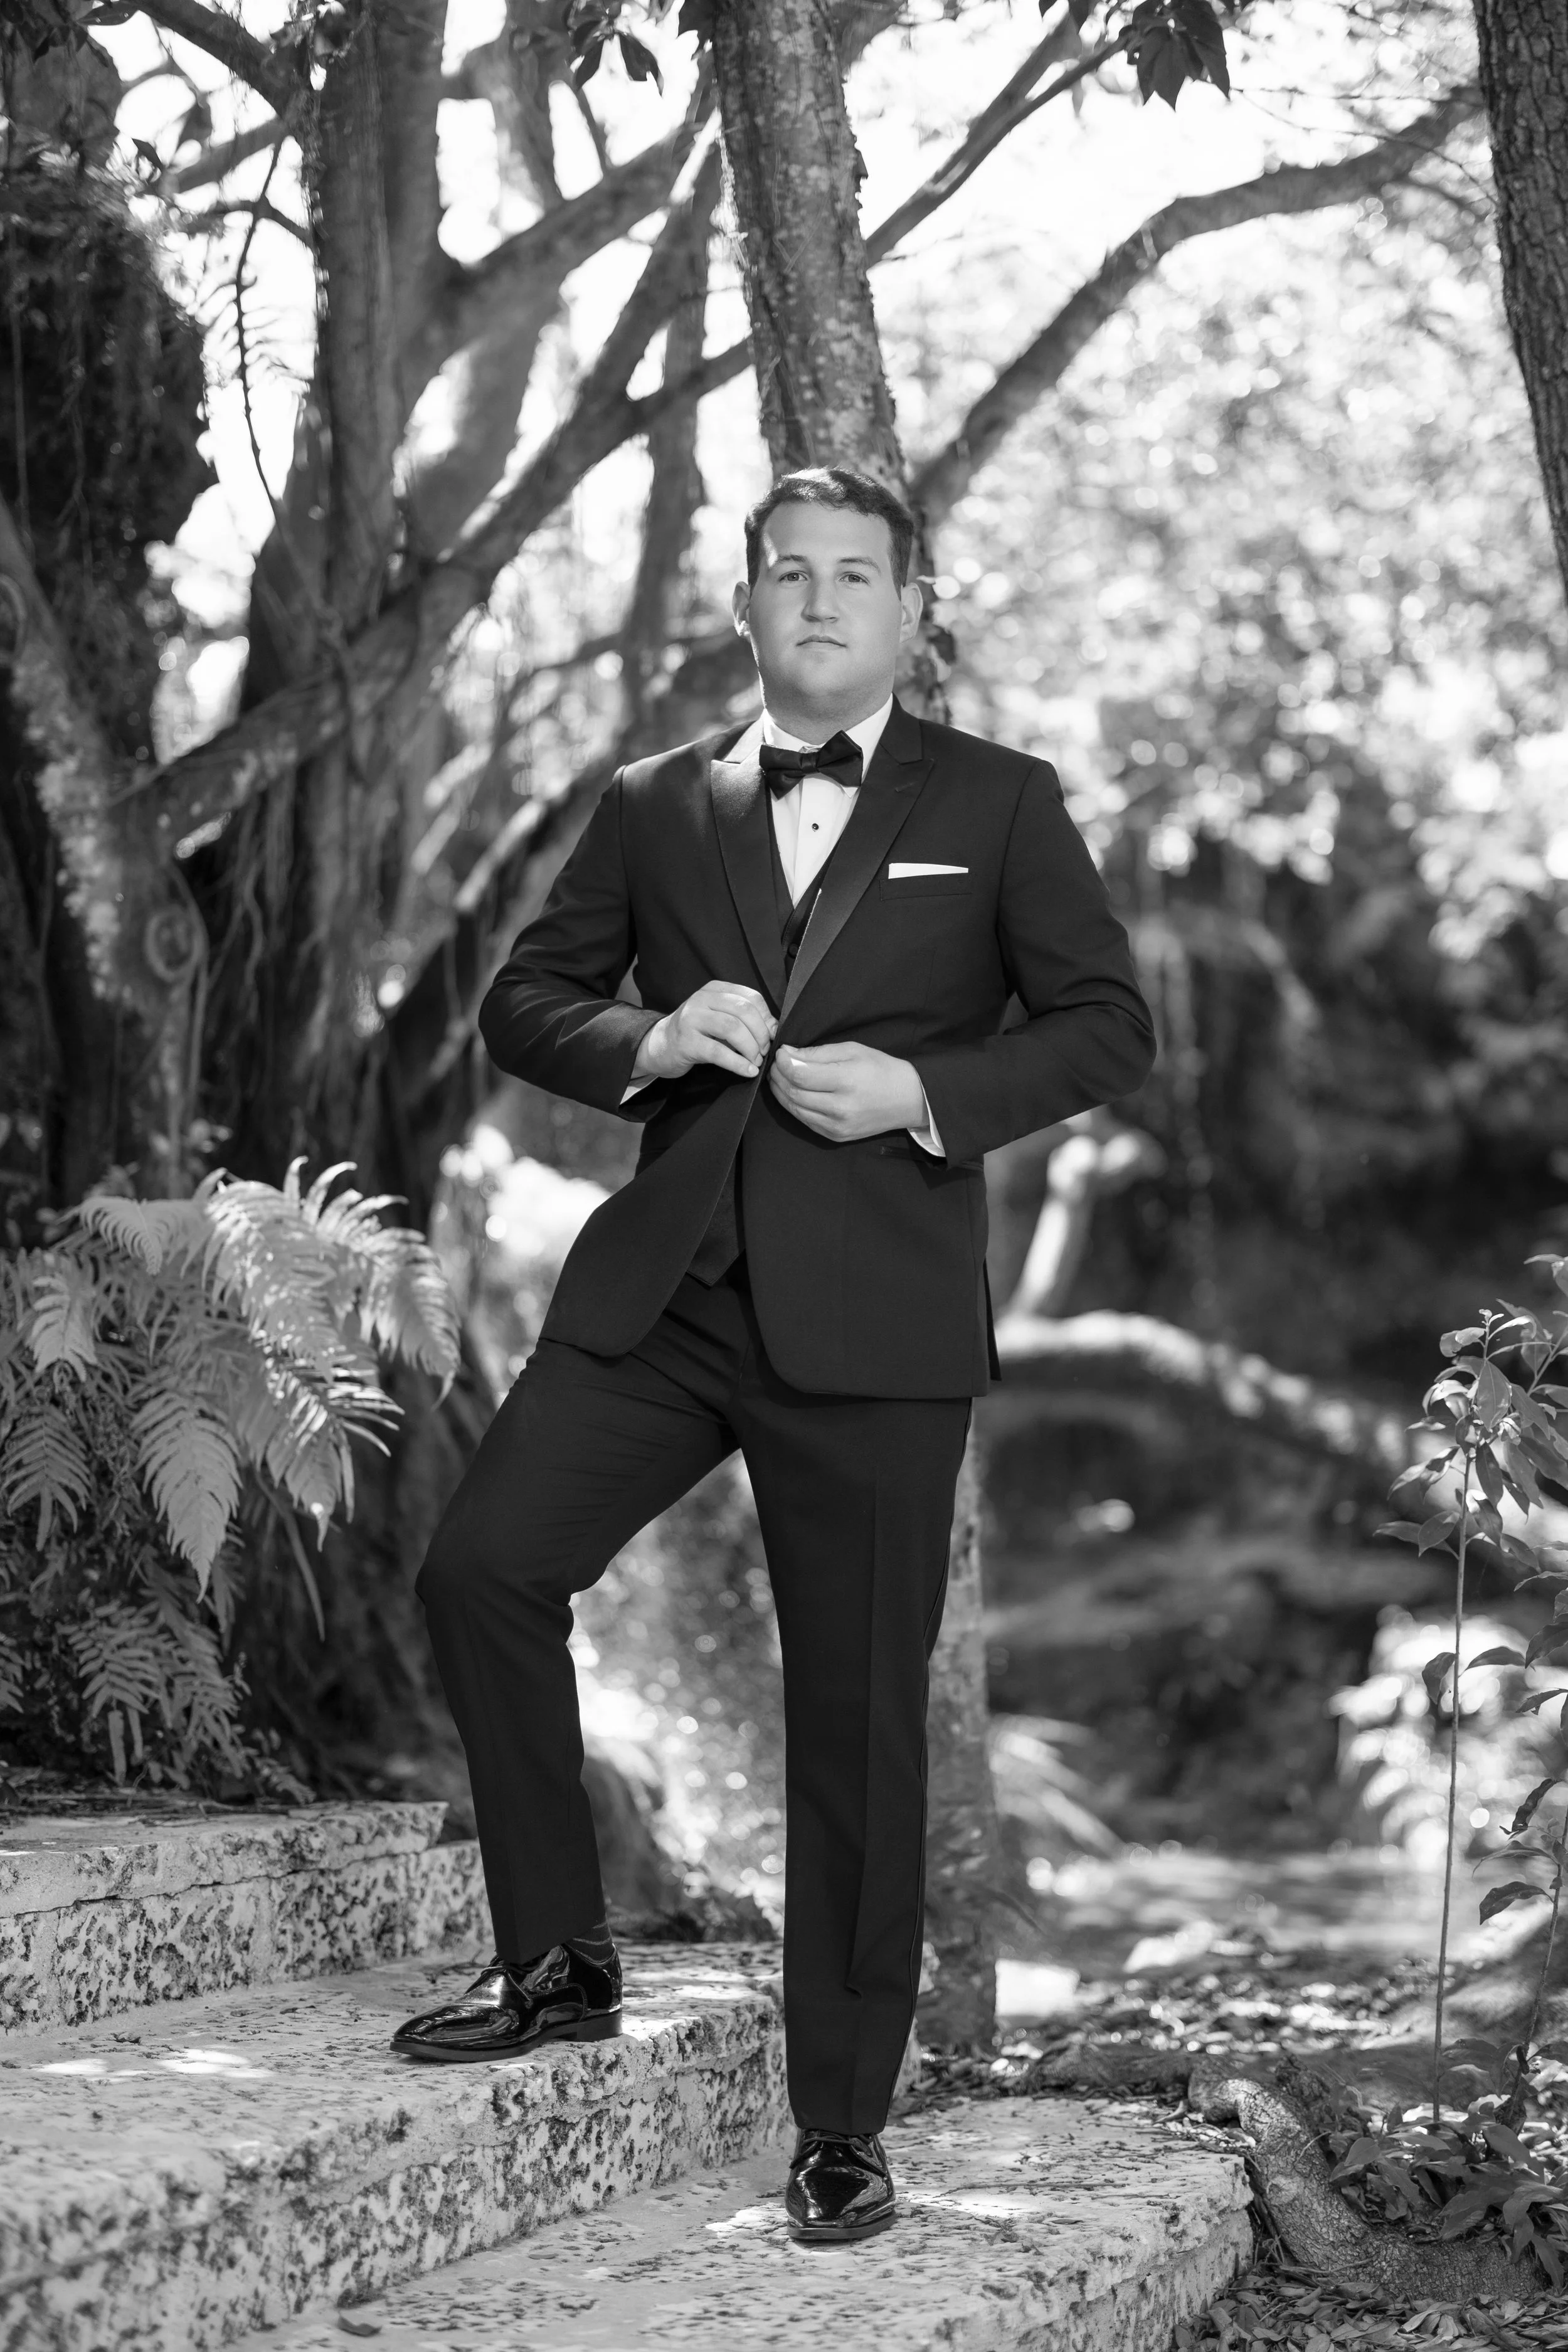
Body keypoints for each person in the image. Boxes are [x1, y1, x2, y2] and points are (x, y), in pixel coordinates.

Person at [393, 465, 1156, 2244]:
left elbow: (1104, 1025)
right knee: (481, 1567)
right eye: (787, 574)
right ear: (746, 603)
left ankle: (840, 2125)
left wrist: (927, 1096)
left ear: (909, 610)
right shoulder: (658, 803)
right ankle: (558, 1958)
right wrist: (652, 1033)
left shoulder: (1002, 802)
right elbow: (523, 1002)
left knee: (854, 1724)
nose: (817, 602)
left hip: (877, 1327)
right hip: (667, 1296)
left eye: (852, 577)